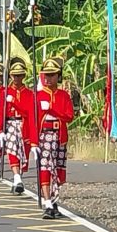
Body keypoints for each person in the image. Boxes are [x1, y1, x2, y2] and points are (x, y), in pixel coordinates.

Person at [34, 57, 74, 219]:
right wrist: (33, 142)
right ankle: (47, 202)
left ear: (58, 76)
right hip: (44, 136)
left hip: (60, 136)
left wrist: (52, 110)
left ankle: (54, 199)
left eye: (52, 75)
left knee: (58, 170)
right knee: (45, 168)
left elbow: (69, 116)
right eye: (46, 75)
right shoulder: (37, 95)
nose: (48, 78)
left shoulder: (63, 96)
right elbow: (32, 120)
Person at [1, 57, 35, 194]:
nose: (17, 78)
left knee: (23, 153)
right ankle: (16, 176)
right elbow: (0, 111)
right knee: (12, 150)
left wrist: (14, 102)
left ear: (24, 76)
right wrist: (0, 129)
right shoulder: (5, 92)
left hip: (23, 124)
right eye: (15, 75)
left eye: (20, 75)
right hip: (10, 124)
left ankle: (18, 177)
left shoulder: (29, 94)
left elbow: (28, 112)